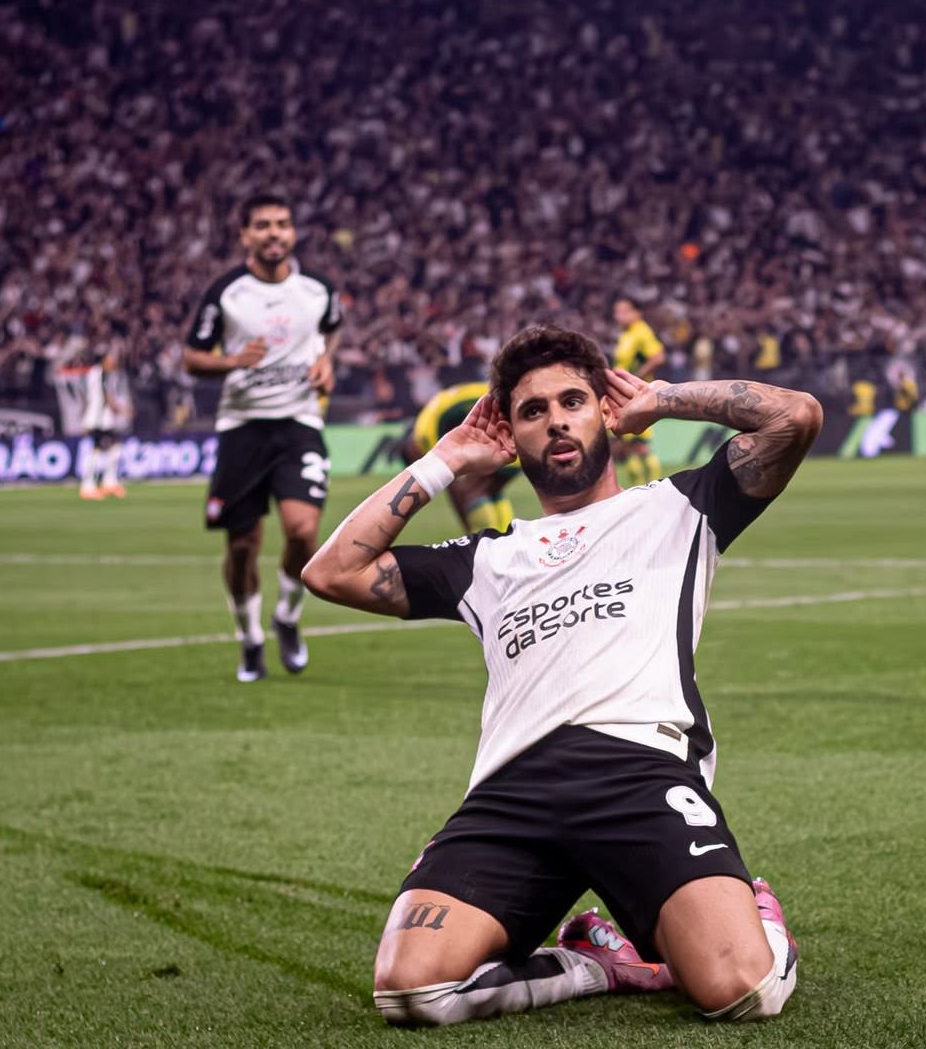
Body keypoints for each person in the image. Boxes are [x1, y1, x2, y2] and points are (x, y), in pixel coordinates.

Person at [302, 326, 822, 1026]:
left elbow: (796, 416)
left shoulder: (681, 507)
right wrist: (445, 459)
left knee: (743, 988)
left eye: (573, 400)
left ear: (604, 408)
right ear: (511, 437)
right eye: (533, 410)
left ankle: (756, 915)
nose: (556, 420)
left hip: (638, 778)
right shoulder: (484, 560)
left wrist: (661, 398)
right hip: (511, 794)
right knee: (409, 990)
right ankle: (594, 964)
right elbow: (330, 572)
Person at [183, 192, 343, 682]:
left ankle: (287, 618)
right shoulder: (227, 292)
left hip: (298, 425)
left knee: (302, 532)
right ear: (245, 235)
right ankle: (249, 637)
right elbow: (192, 356)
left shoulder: (317, 289)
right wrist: (231, 361)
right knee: (241, 547)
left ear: (293, 232)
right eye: (263, 225)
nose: (274, 232)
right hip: (242, 429)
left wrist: (326, 359)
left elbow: (331, 329)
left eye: (282, 223)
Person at [403, 381, 518, 533]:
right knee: (491, 490)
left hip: (512, 437)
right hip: (517, 431)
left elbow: (454, 489)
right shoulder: (430, 415)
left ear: (412, 448)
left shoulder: (425, 434)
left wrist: (467, 528)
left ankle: (484, 539)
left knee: (471, 490)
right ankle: (506, 536)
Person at [612, 297, 666, 485]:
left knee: (639, 446)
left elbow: (658, 357)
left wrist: (636, 377)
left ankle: (653, 485)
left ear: (636, 313)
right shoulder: (626, 334)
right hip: (623, 397)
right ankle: (640, 488)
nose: (618, 316)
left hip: (635, 396)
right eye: (617, 312)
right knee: (628, 446)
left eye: (623, 311)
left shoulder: (641, 332)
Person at [78, 344, 133, 500]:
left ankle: (109, 482)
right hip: (98, 418)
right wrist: (123, 410)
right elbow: (105, 395)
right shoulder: (101, 373)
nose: (113, 361)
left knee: (114, 447)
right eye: (110, 358)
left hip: (100, 417)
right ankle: (87, 486)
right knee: (96, 450)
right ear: (104, 360)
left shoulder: (95, 373)